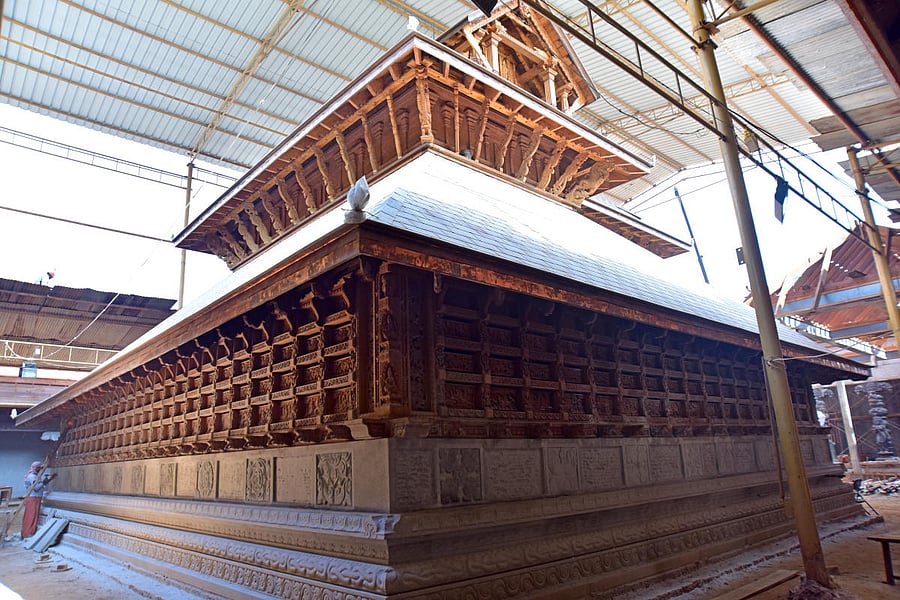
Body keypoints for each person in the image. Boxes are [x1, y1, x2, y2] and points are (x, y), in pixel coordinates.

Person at [21, 461, 55, 538]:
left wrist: (48, 480)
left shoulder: (34, 476)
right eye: (39, 468)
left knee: (33, 515)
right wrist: (43, 482)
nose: (40, 470)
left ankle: (30, 531)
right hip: (33, 498)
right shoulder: (32, 476)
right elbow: (36, 487)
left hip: (36, 498)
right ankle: (28, 532)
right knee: (31, 516)